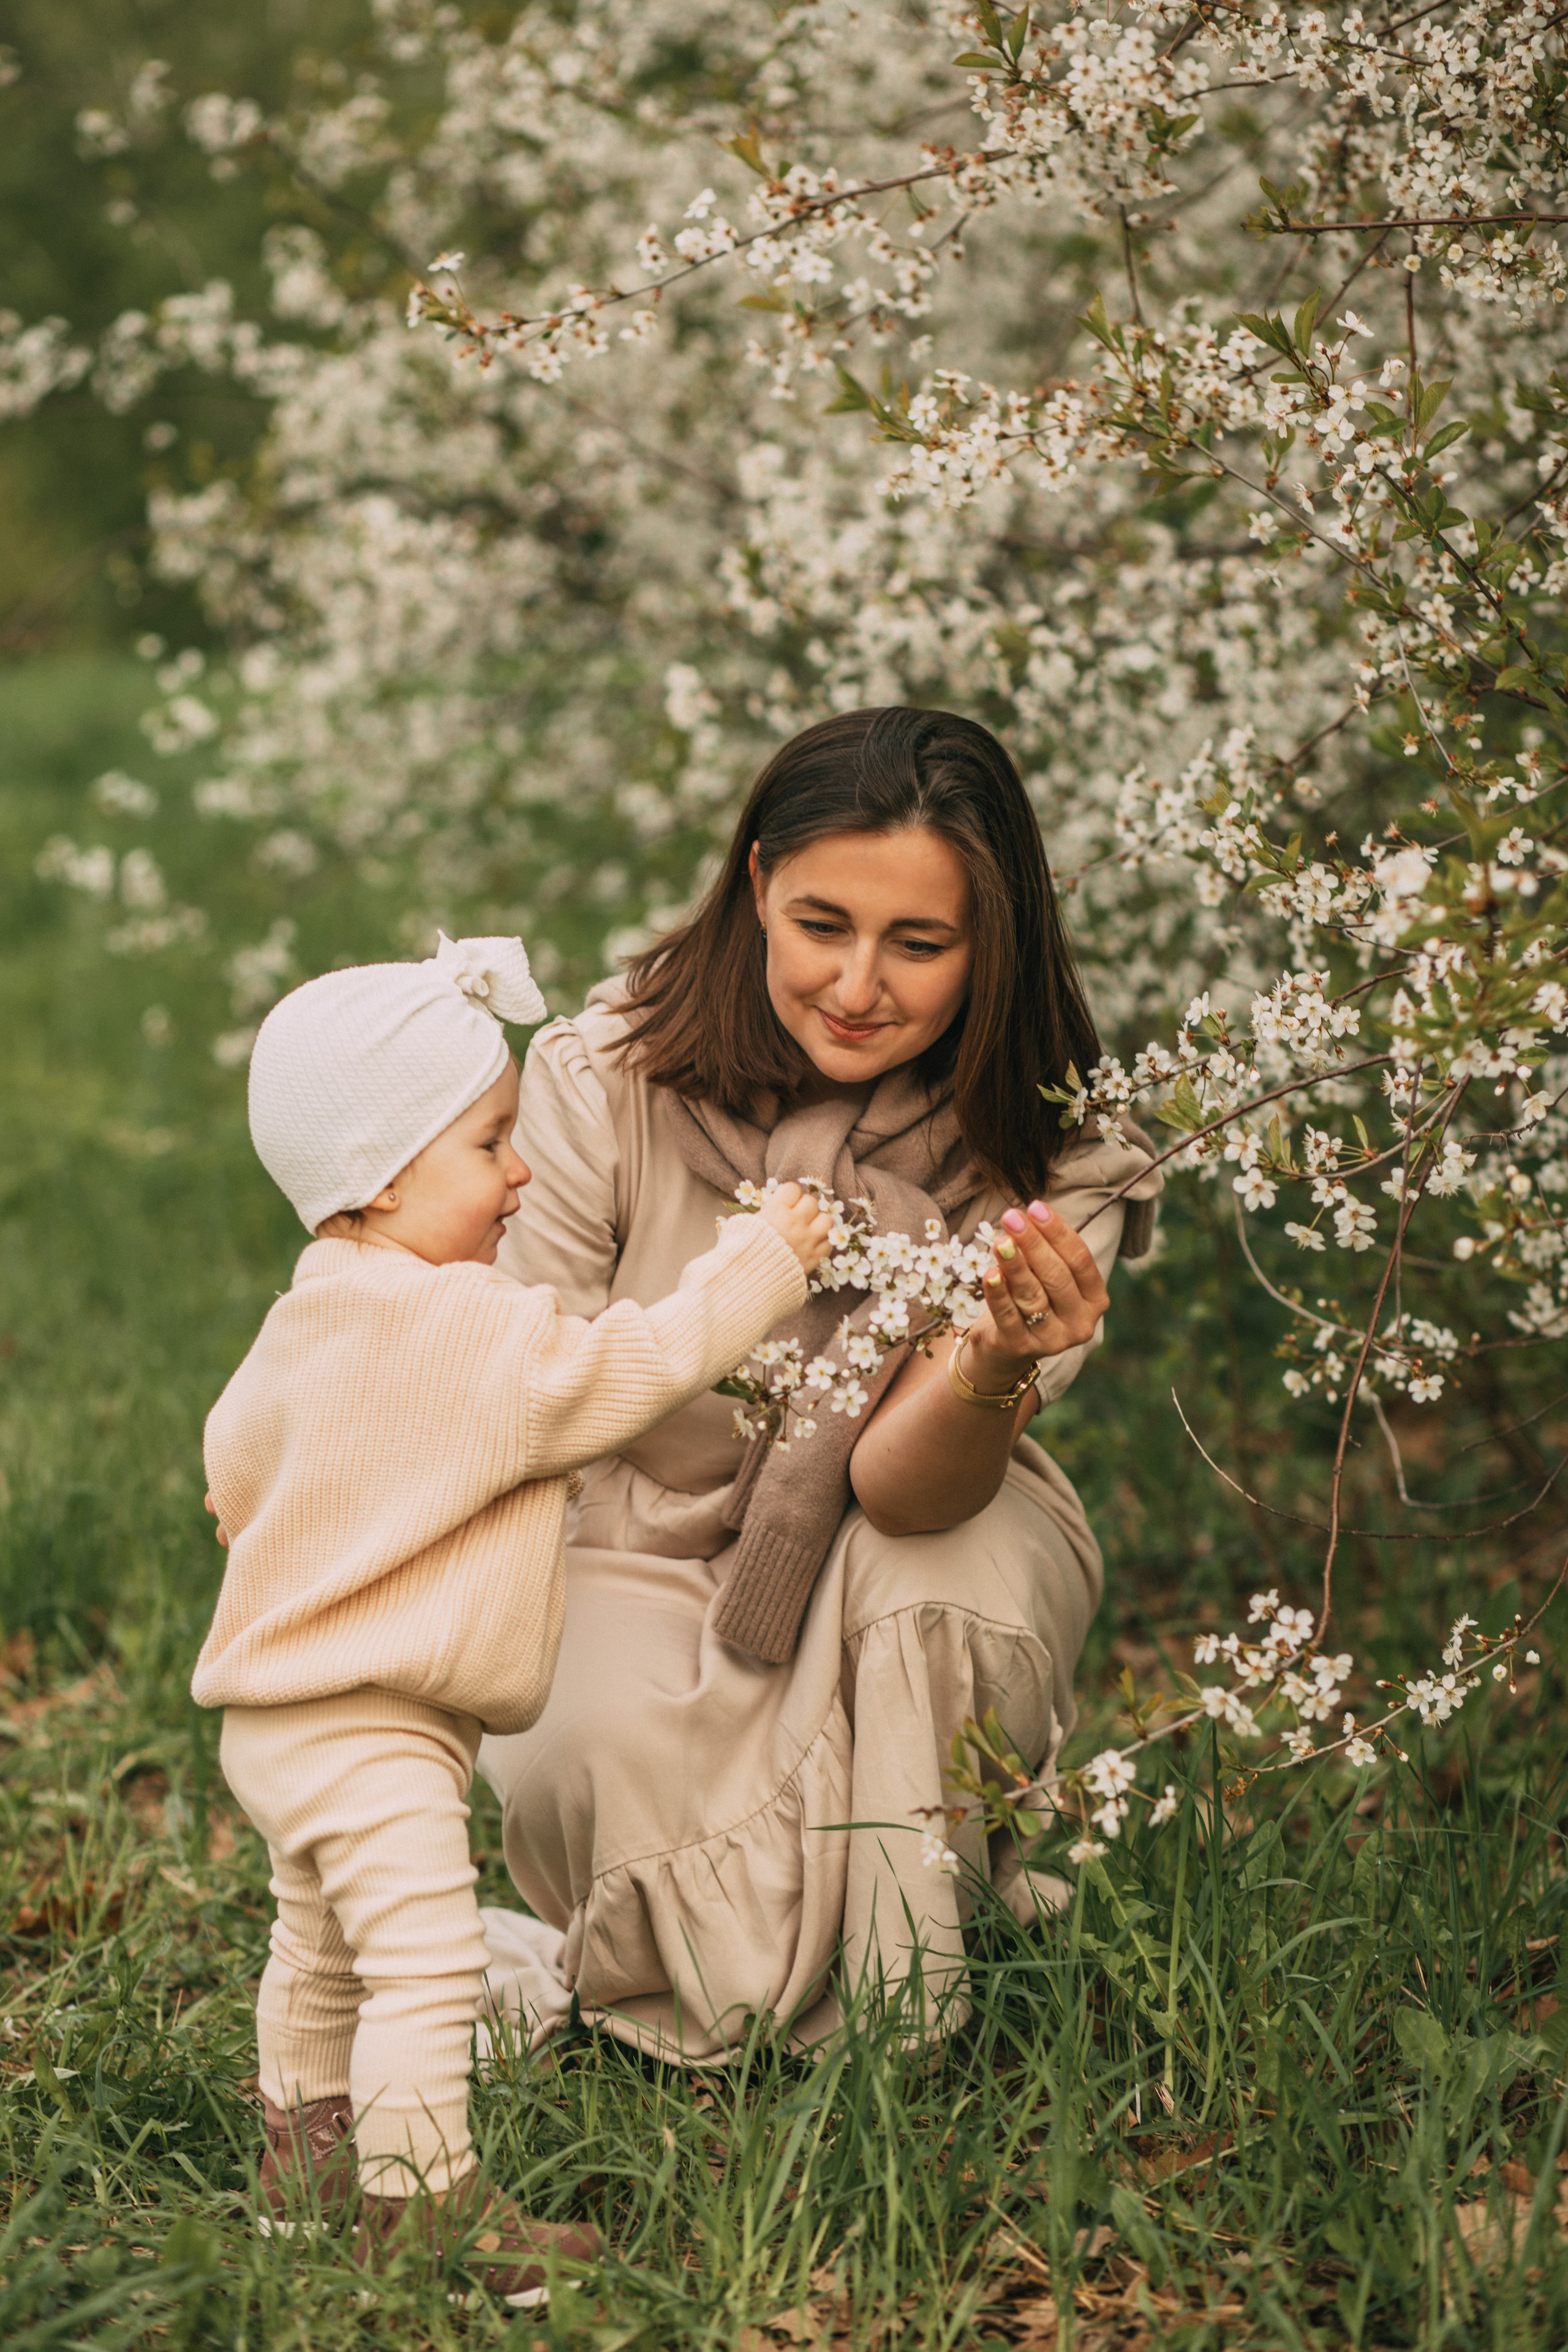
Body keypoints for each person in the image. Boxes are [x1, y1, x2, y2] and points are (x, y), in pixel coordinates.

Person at [478, 707, 1163, 2063]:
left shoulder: (1054, 1152)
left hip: (922, 1529)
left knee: (928, 1596)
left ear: (993, 944)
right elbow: (522, 1392)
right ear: (753, 889)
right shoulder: (601, 1076)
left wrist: (986, 1365)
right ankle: (805, 1960)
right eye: (820, 924)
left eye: (918, 944)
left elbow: (900, 1498)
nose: (857, 986)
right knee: (585, 1739)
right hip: (631, 1523)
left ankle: (898, 2001)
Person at [193, 930, 832, 2301]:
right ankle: (424, 2205)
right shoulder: (471, 1329)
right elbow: (633, 1368)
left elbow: (231, 1453)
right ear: (380, 1175)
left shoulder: (308, 1312)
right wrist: (760, 1265)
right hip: (376, 1723)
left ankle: (302, 2168)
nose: (521, 1172)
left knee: (316, 1945)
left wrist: (259, 1513)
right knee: (422, 1962)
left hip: (272, 1722)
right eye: (490, 1144)